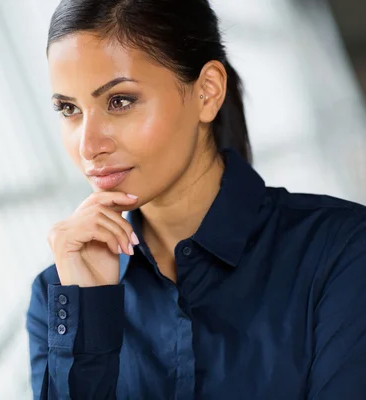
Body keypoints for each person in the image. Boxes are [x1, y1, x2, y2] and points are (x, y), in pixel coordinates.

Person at [26, 0, 366, 398]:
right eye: (69, 109)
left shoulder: (341, 252)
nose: (88, 146)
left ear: (207, 92)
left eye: (120, 101)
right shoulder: (60, 295)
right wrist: (89, 320)